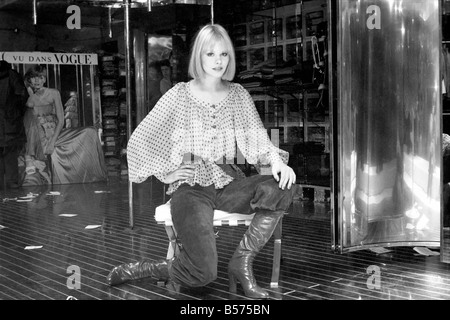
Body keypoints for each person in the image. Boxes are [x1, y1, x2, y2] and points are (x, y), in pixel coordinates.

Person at [106, 24, 297, 299]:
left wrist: (276, 162)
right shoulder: (179, 94)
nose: (218, 61)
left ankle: (241, 263)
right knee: (204, 274)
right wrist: (167, 173)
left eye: (224, 54)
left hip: (229, 182)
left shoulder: (238, 94)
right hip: (190, 188)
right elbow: (140, 140)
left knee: (283, 184)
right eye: (210, 54)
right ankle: (147, 269)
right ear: (199, 56)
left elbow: (257, 138)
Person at [22, 65, 107, 185]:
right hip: (35, 135)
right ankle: (30, 157)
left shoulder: (53, 93)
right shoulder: (27, 96)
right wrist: (30, 92)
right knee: (31, 116)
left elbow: (61, 120)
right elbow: (27, 119)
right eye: (34, 77)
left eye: (41, 77)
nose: (37, 81)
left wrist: (52, 142)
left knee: (90, 132)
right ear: (29, 80)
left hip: (53, 133)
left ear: (45, 79)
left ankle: (91, 176)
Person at [0, 60, 28, 189]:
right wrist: (17, 113)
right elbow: (22, 97)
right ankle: (12, 182)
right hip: (11, 122)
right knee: (11, 154)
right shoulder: (13, 76)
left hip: (6, 121)